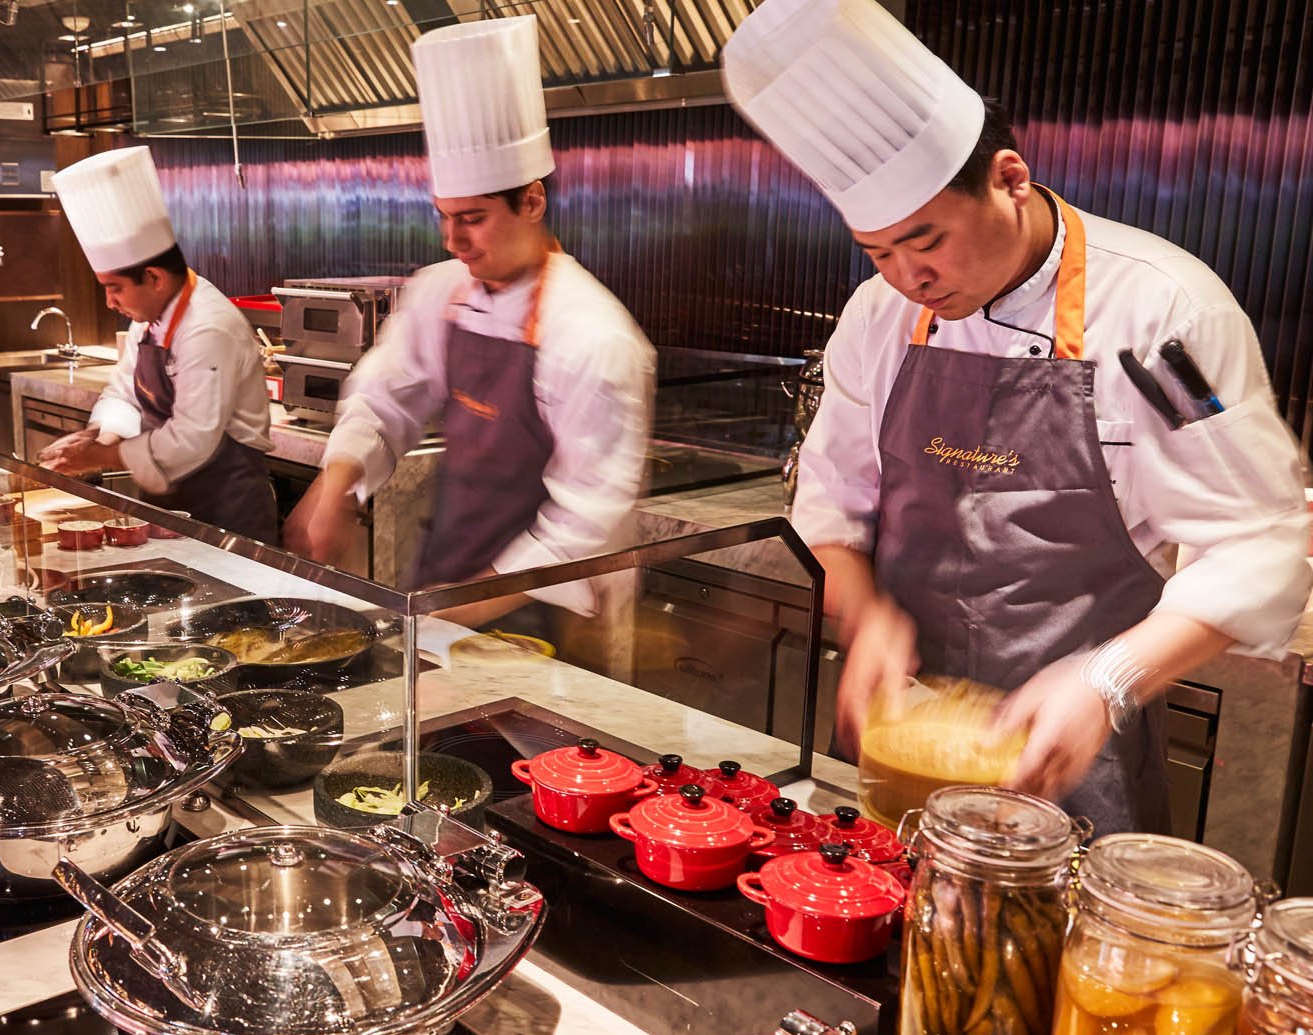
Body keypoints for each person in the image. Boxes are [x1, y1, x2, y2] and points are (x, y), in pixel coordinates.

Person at [722, 0, 1312, 834]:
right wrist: (865, 615)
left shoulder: (1160, 318)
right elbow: (831, 504)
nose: (909, 279)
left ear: (1009, 178)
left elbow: (1259, 544)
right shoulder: (878, 315)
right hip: (901, 737)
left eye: (927, 241)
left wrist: (1108, 681)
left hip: (1074, 750)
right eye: (879, 252)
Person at [284, 16, 654, 625]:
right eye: (444, 216)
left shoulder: (593, 334)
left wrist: (452, 615)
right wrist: (337, 488)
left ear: (531, 201)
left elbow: (583, 524)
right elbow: (385, 397)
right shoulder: (442, 290)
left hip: (541, 614)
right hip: (446, 580)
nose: (453, 241)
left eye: (473, 219)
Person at [38, 147, 279, 544]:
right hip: (169, 505)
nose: (109, 302)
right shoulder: (150, 317)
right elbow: (124, 391)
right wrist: (98, 435)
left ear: (154, 278)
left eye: (115, 288)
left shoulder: (208, 327)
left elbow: (192, 438)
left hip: (227, 508)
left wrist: (100, 457)